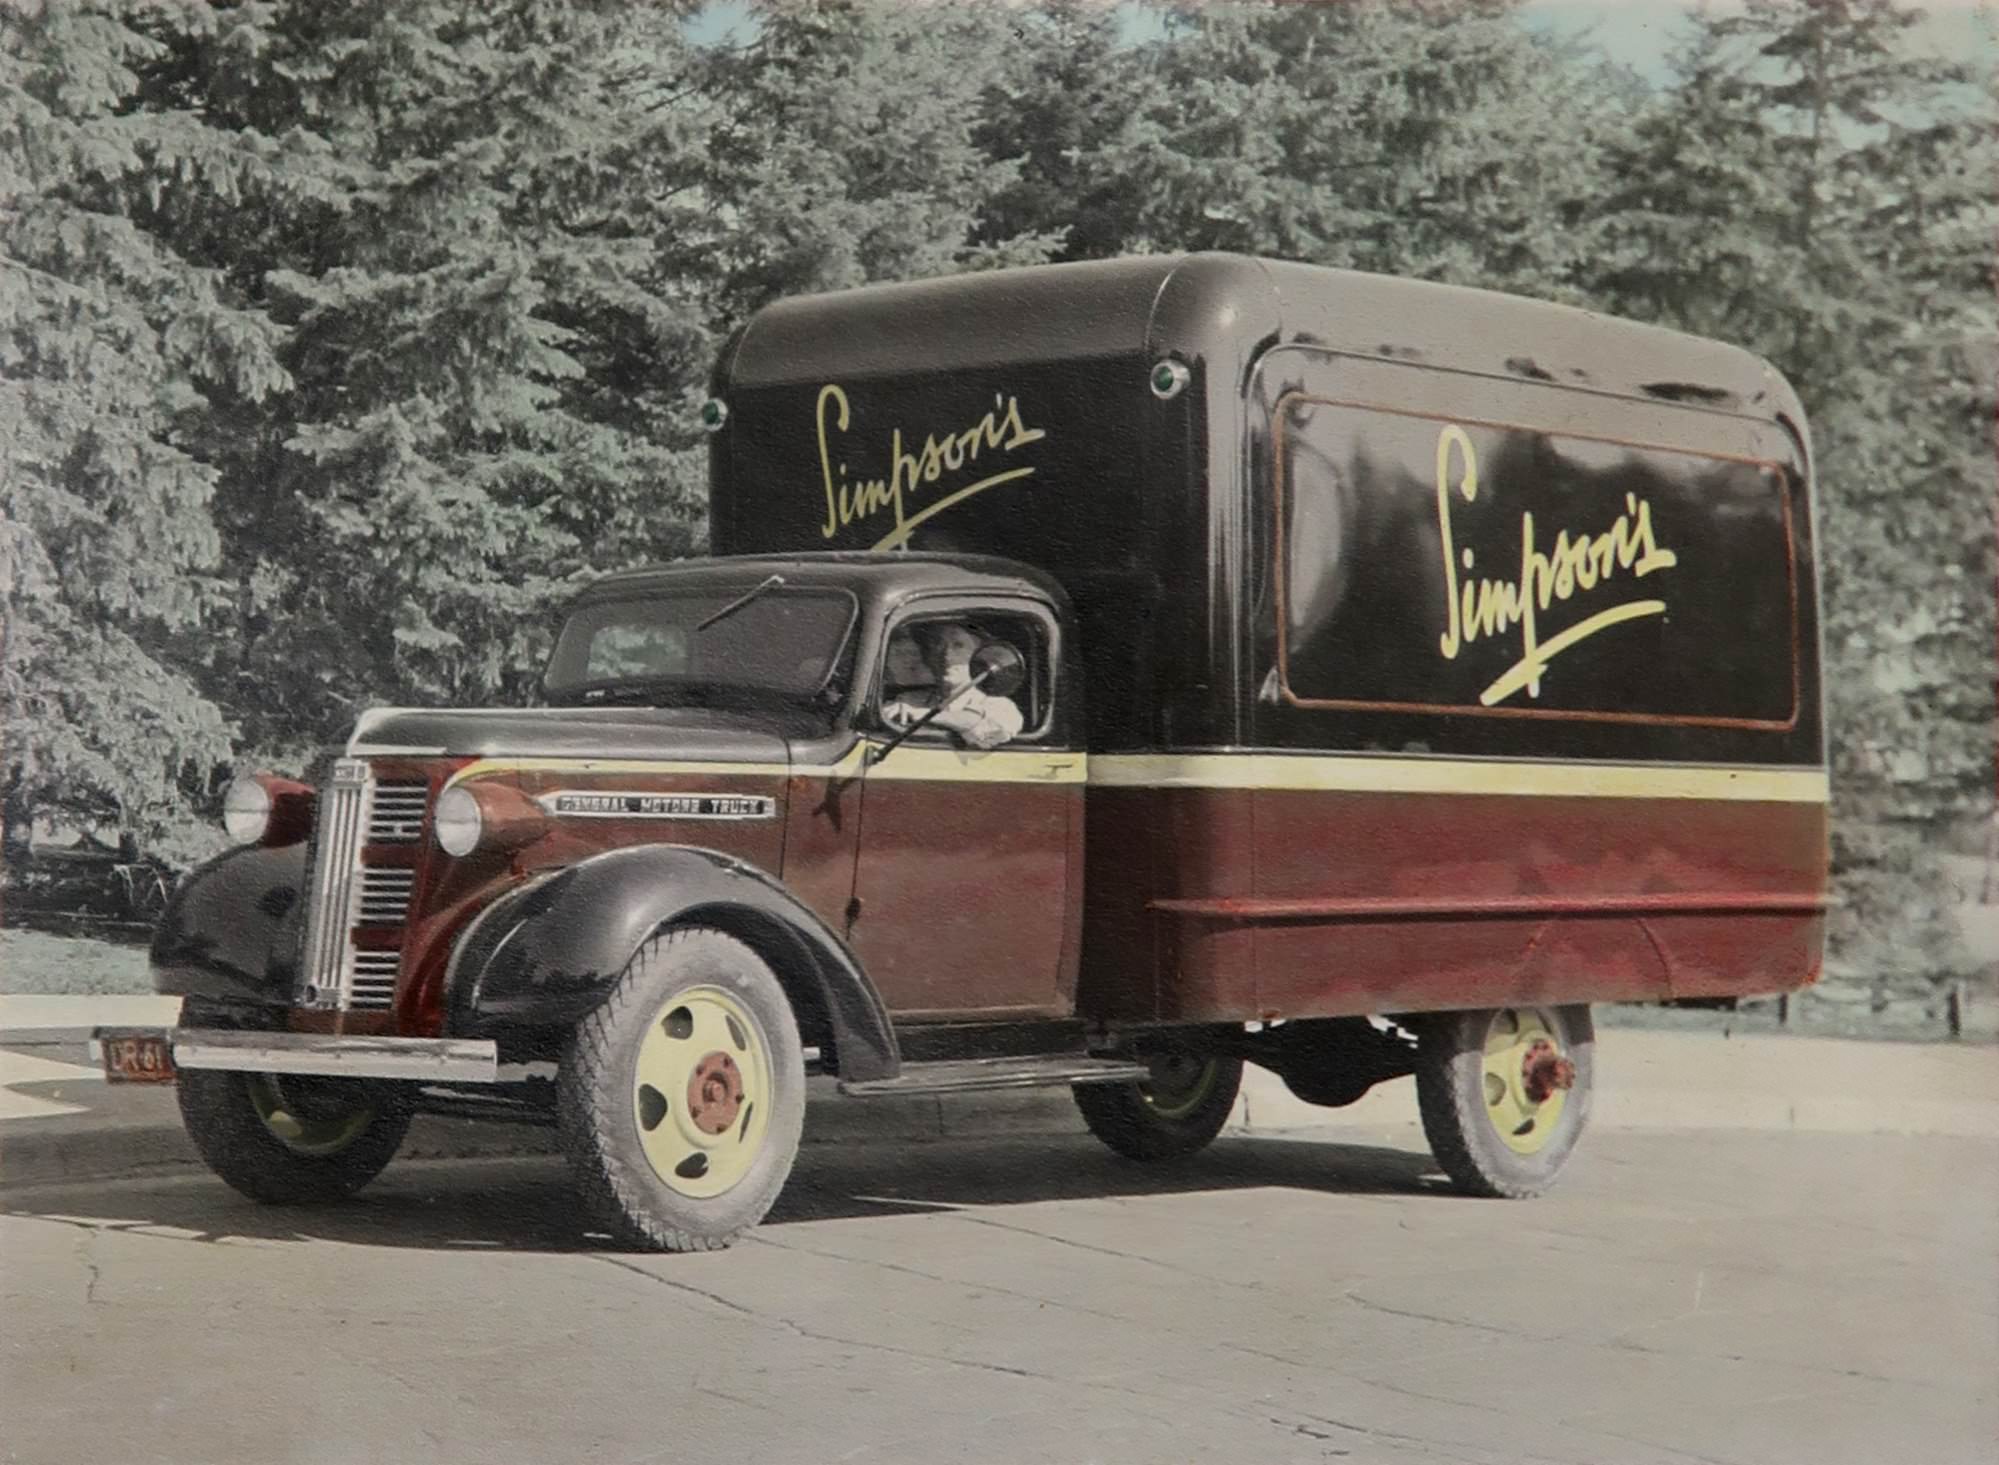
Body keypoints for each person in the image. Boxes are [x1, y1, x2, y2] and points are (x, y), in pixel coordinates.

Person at [881, 620, 1024, 751]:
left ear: (978, 657)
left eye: (958, 646)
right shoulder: (909, 700)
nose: (946, 655)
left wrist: (921, 714)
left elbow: (974, 721)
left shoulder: (1000, 706)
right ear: (927, 656)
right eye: (936, 645)